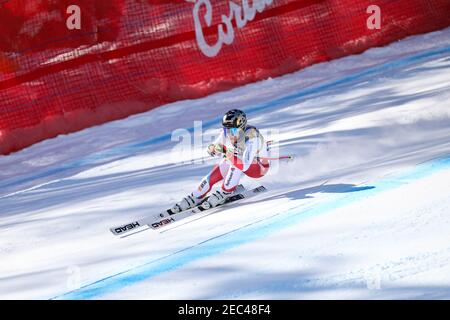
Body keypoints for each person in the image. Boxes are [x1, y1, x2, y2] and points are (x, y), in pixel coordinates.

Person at [170, 109, 270, 213]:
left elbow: (244, 165)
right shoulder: (227, 131)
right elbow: (214, 145)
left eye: (233, 131)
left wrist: (225, 152)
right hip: (240, 159)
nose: (230, 134)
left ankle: (226, 192)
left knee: (234, 162)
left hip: (259, 168)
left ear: (242, 127)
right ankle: (195, 196)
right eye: (227, 130)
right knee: (221, 166)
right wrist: (212, 148)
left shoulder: (252, 138)